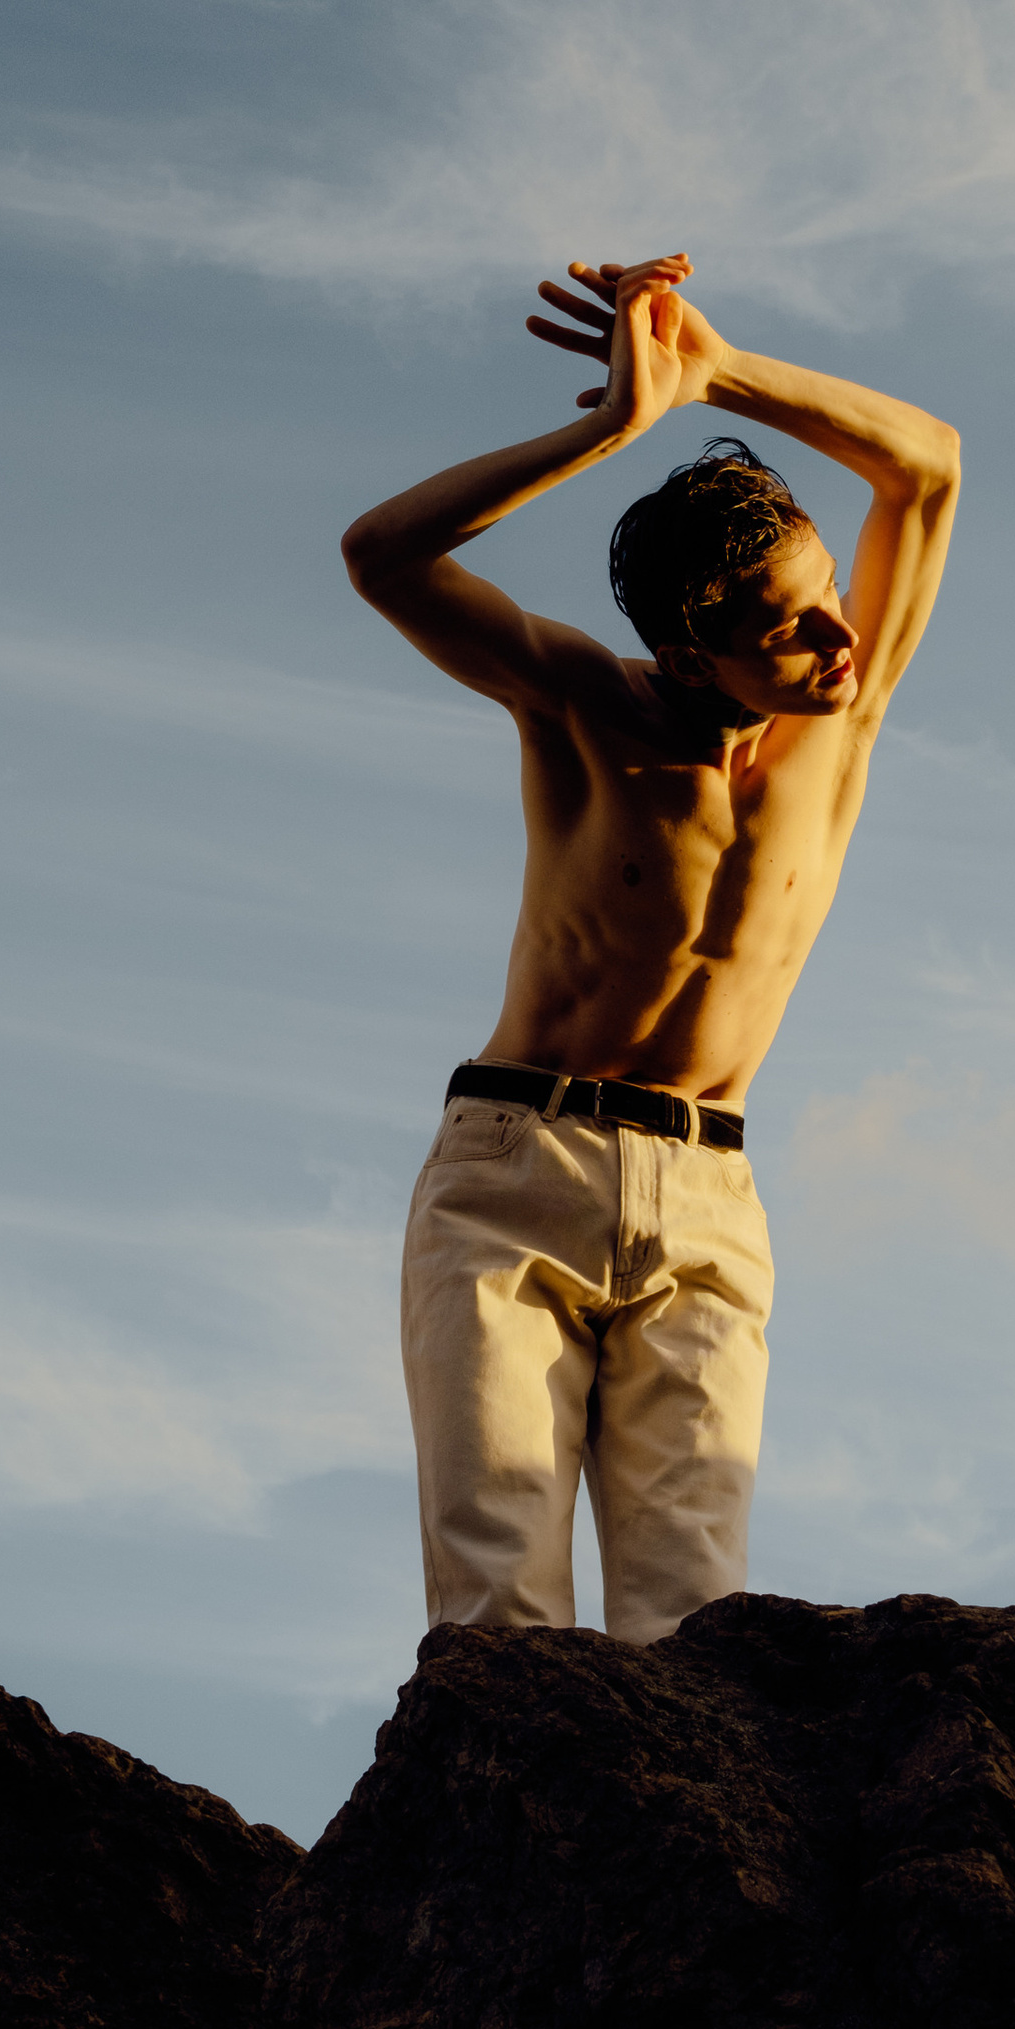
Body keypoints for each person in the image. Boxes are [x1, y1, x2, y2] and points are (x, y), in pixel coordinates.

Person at [341, 251, 961, 1645]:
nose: (835, 635)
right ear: (691, 656)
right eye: (786, 628)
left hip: (708, 1200)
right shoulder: (582, 711)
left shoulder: (837, 727)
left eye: (824, 594)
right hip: (515, 1180)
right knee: (498, 1611)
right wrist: (606, 433)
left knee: (699, 1632)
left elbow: (928, 469)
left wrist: (717, 371)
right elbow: (383, 556)